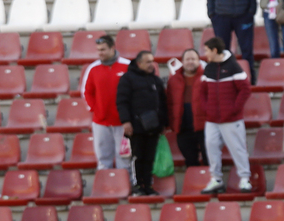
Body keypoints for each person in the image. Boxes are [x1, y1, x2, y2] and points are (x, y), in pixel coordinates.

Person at [197, 36, 253, 194]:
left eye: (207, 50)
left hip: (231, 119)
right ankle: (216, 179)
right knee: (211, 146)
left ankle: (244, 179)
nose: (205, 53)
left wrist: (234, 109)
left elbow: (245, 89)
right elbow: (202, 91)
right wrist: (206, 108)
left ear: (215, 50)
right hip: (212, 119)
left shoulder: (233, 66)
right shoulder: (208, 68)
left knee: (238, 148)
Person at [116, 50, 168, 197]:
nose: (152, 65)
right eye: (148, 62)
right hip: (136, 127)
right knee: (137, 157)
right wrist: (126, 122)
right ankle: (137, 186)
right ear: (139, 63)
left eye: (152, 61)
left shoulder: (156, 80)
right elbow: (122, 102)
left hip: (154, 127)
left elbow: (163, 103)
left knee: (150, 157)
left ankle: (148, 185)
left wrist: (164, 123)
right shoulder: (127, 79)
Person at [81, 34, 130, 174]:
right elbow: (86, 92)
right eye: (98, 50)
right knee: (103, 159)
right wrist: (96, 110)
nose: (100, 53)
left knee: (125, 158)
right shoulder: (93, 68)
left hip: (123, 123)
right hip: (101, 122)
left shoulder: (127, 66)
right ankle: (105, 191)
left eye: (103, 49)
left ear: (112, 48)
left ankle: (125, 188)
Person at [166, 48, 208, 168]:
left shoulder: (207, 77)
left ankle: (213, 184)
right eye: (187, 59)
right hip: (183, 127)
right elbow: (169, 103)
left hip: (204, 127)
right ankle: (194, 185)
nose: (190, 62)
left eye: (193, 59)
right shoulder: (173, 80)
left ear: (199, 61)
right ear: (182, 62)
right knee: (190, 160)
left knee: (209, 159)